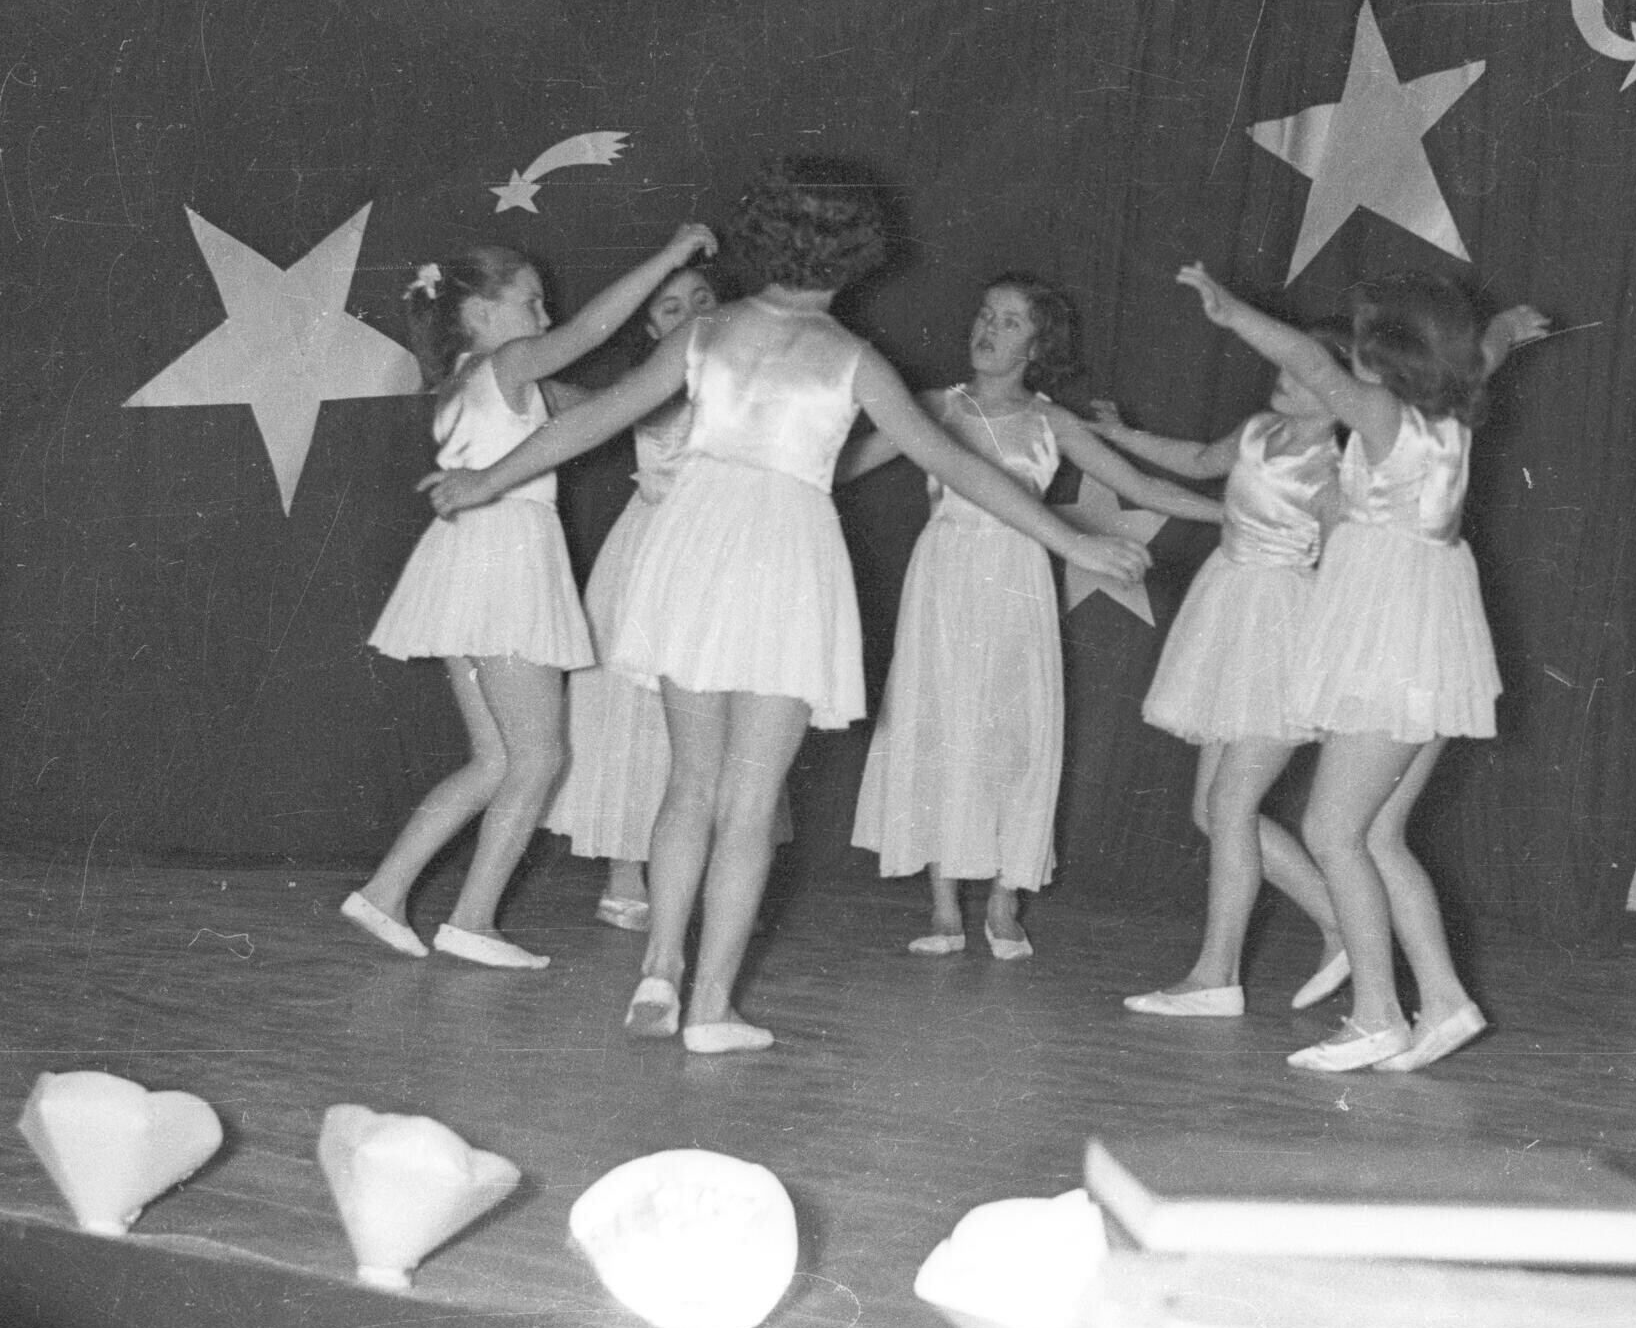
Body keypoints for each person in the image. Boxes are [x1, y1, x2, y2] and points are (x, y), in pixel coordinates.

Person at [423, 162, 1148, 1053]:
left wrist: (483, 480)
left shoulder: (710, 331)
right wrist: (1076, 542)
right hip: (786, 556)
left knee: (688, 783)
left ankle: (660, 964)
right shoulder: (852, 359)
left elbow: (593, 418)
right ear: (853, 260)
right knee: (749, 796)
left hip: (695, 542)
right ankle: (714, 1004)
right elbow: (964, 468)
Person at [1176, 262, 1545, 1071]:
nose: (1347, 363)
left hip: (1388, 639)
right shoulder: (1449, 412)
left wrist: (1233, 310)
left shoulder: (1380, 414)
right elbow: (1485, 351)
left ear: (1389, 356)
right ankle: (1442, 999)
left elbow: (1310, 365)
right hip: (1433, 644)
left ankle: (1378, 1012)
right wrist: (1507, 329)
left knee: (1331, 828)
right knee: (1377, 831)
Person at [349, 223, 718, 968]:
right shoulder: (512, 363)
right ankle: (473, 919)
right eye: (531, 302)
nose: (545, 318)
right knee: (539, 757)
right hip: (506, 566)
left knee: (495, 759)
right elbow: (589, 332)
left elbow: (609, 402)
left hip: (461, 570)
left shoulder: (463, 380)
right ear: (482, 312)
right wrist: (671, 257)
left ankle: (384, 892)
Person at [842, 274, 1222, 959]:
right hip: (943, 582)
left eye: (1011, 321)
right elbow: (844, 464)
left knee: (1013, 733)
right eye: (985, 314)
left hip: (1016, 580)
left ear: (1039, 343)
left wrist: (1237, 512)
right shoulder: (929, 407)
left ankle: (1007, 900)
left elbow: (1142, 486)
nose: (989, 329)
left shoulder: (1055, 422)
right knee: (938, 724)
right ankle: (942, 906)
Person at [1088, 347, 1352, 1016]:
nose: (1283, 378)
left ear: (1338, 393)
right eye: (1285, 366)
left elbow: (1349, 571)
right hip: (1228, 613)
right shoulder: (1259, 430)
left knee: (1232, 802)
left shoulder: (1333, 475)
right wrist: (1126, 437)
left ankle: (1216, 975)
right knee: (1211, 810)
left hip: (1282, 625)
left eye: (1303, 373)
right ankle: (1344, 922)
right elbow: (1201, 458)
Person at [541, 263, 799, 931]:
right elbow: (563, 400)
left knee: (720, 715)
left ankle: (709, 877)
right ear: (650, 325)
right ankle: (627, 871)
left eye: (701, 301)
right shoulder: (644, 386)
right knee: (633, 711)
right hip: (650, 551)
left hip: (728, 554)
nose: (686, 316)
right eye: (669, 307)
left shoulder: (753, 384)